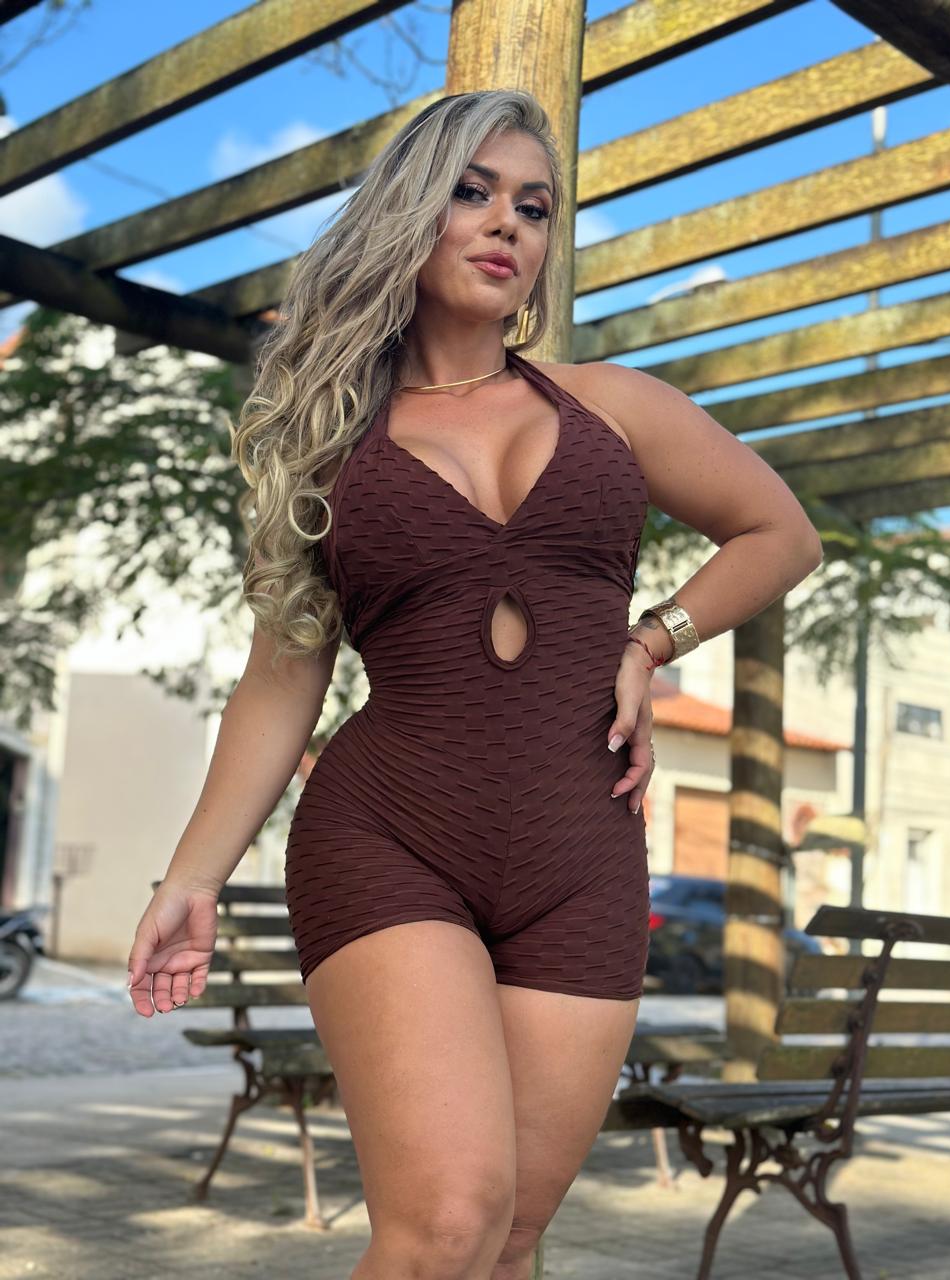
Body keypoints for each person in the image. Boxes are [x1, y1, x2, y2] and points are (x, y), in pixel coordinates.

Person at [127, 89, 823, 1280]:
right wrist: (192, 876)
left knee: (508, 1243)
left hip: (582, 858)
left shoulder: (612, 406)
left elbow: (780, 532)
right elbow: (283, 675)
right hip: (389, 837)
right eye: (473, 192)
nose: (508, 223)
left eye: (534, 207)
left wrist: (650, 640)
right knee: (444, 1223)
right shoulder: (332, 443)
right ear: (410, 211)